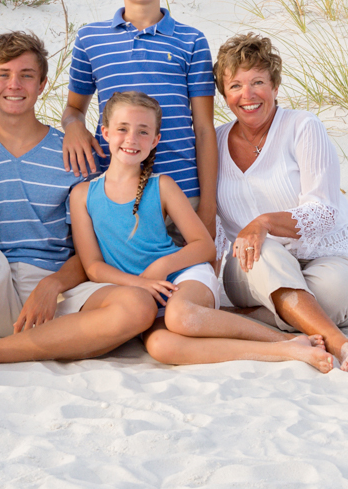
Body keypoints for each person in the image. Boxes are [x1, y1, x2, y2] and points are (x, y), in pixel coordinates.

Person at [0, 31, 159, 392]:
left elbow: (94, 245)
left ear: (42, 84)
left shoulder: (76, 154)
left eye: (26, 75)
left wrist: (53, 283)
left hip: (55, 292)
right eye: (3, 75)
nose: (15, 84)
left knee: (137, 306)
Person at [69, 91, 333, 370]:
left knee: (180, 316)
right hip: (138, 292)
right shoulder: (83, 195)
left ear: (155, 140)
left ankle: (281, 340)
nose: (132, 139)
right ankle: (286, 349)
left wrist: (161, 267)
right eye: (123, 129)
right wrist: (139, 284)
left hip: (182, 280)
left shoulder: (163, 186)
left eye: (143, 131)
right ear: (105, 132)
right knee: (161, 347)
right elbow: (93, 267)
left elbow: (204, 246)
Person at [213, 33, 348, 372]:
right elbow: (213, 222)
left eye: (258, 81)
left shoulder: (302, 127)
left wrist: (264, 222)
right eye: (236, 86)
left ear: (274, 86)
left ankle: (249, 321)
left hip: (327, 258)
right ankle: (337, 341)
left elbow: (324, 211)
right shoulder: (213, 142)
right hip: (252, 267)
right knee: (261, 251)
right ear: (223, 94)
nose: (248, 95)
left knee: (338, 293)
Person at [61, 0, 219, 242]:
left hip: (183, 189)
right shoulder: (91, 39)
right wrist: (73, 127)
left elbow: (204, 128)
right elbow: (73, 109)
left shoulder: (192, 40)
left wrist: (209, 207)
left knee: (188, 282)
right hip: (115, 190)